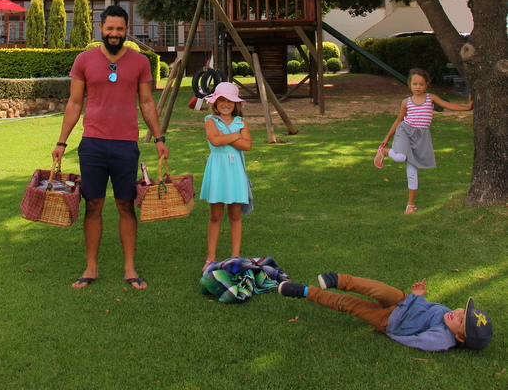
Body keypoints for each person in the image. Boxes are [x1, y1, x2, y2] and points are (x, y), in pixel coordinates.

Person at [51, 4, 169, 289]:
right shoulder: (84, 60)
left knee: (125, 204)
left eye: (120, 29)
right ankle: (91, 267)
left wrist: (159, 138)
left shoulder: (140, 62)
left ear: (127, 30)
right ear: (101, 29)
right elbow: (75, 103)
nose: (114, 33)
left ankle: (130, 268)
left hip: (125, 144)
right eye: (110, 28)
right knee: (93, 204)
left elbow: (147, 102)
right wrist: (61, 142)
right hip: (92, 144)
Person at [278, 273, 493, 352]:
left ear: (459, 337)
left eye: (461, 320)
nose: (457, 312)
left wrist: (392, 332)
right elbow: (424, 309)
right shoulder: (448, 314)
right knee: (376, 288)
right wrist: (418, 295)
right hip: (403, 301)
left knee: (350, 305)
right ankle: (336, 279)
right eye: (463, 311)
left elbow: (415, 340)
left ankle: (304, 291)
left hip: (389, 320)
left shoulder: (442, 339)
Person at [373, 68, 473, 213]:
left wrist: (467, 108)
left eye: (421, 84)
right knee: (401, 157)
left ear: (426, 85)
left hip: (421, 137)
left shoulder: (431, 98)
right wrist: (387, 138)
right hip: (405, 131)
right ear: (410, 85)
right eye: (415, 84)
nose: (418, 87)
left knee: (412, 172)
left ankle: (410, 205)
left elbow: (449, 106)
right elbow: (399, 120)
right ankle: (384, 152)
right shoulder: (406, 102)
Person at [199, 81, 252, 272]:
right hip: (218, 171)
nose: (226, 104)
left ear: (236, 103)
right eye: (222, 100)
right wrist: (236, 136)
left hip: (235, 172)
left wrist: (227, 137)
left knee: (235, 214)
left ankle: (235, 257)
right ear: (215, 102)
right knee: (215, 215)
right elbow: (215, 140)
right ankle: (211, 258)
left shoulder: (241, 122)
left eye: (230, 101)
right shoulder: (210, 120)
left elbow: (247, 145)